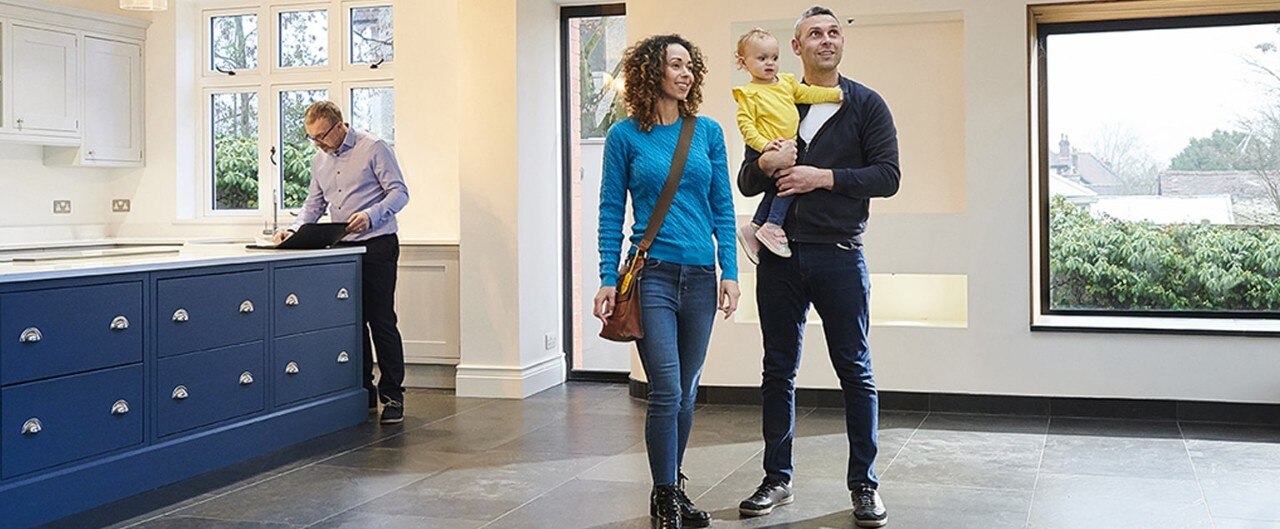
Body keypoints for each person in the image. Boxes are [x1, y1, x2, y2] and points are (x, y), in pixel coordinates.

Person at [734, 7, 900, 528]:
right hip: (779, 258)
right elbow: (746, 179)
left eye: (834, 32)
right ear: (796, 45)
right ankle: (776, 479)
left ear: (841, 43)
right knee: (777, 370)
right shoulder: (772, 95)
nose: (826, 40)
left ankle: (864, 486)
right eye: (815, 34)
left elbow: (888, 175)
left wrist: (820, 177)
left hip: (840, 256)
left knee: (855, 371)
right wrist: (766, 164)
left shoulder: (866, 104)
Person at [593, 34, 739, 529]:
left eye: (689, 66)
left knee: (688, 389)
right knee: (667, 388)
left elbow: (722, 206)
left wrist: (731, 273)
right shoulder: (624, 136)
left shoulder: (708, 132)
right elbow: (611, 210)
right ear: (650, 72)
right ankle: (664, 493)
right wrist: (606, 277)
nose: (685, 74)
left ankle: (672, 487)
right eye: (675, 65)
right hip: (651, 273)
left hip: (700, 275)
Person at [274, 100, 411, 426]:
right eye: (312, 138)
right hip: (342, 251)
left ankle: (392, 396)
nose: (318, 143)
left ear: (340, 126)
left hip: (378, 245)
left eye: (322, 136)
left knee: (381, 321)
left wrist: (371, 215)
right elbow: (314, 205)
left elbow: (399, 193)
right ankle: (361, 392)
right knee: (352, 323)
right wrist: (292, 231)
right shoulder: (320, 160)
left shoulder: (373, 147)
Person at [731, 27, 843, 263]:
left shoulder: (786, 83)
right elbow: (746, 127)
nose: (770, 64)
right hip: (774, 147)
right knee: (789, 185)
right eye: (762, 59)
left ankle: (755, 227)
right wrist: (766, 146)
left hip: (789, 145)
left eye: (774, 57)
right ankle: (772, 225)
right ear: (743, 62)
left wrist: (833, 95)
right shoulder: (748, 94)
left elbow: (807, 94)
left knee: (777, 188)